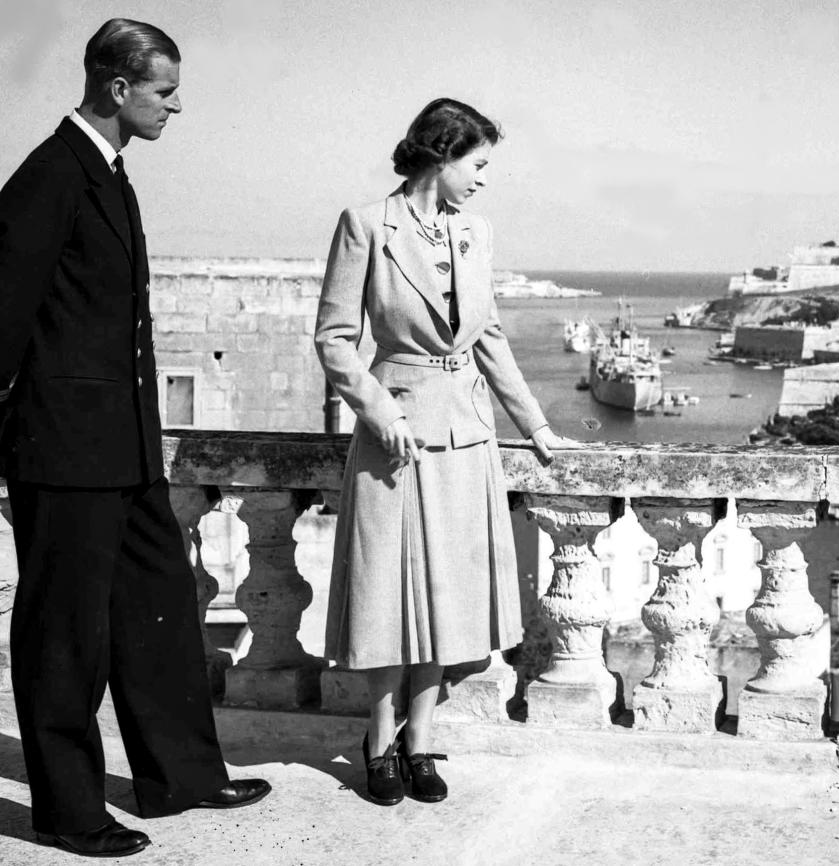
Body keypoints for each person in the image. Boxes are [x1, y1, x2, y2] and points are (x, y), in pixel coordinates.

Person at [0, 19, 269, 858]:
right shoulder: (50, 176)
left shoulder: (108, 172)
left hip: (123, 448)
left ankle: (181, 775)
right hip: (64, 452)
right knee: (64, 635)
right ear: (118, 88)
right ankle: (68, 809)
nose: (175, 106)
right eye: (163, 90)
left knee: (159, 611)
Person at [315, 97, 575, 806]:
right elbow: (335, 340)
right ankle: (378, 737)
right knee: (386, 595)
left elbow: (486, 336)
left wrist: (537, 426)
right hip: (394, 437)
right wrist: (375, 409)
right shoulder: (365, 225)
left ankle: (420, 738)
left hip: (465, 437)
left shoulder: (476, 232)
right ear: (441, 153)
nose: (483, 179)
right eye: (478, 163)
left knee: (446, 596)